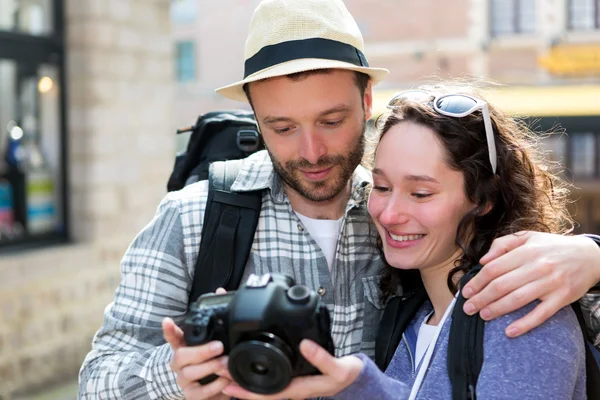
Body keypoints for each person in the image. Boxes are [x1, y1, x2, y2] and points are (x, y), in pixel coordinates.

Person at [78, 1, 600, 399]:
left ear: (366, 100)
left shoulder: (397, 217)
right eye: (281, 128)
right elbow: (97, 381)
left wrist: (592, 254)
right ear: (257, 120)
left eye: (331, 121)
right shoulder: (195, 217)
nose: (311, 151)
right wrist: (171, 378)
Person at [221, 83, 589, 400]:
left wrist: (361, 385)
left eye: (421, 193)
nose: (389, 213)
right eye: (381, 187)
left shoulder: (522, 312)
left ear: (483, 199)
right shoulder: (409, 314)